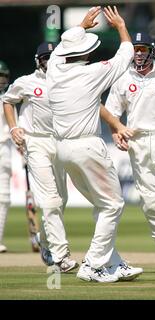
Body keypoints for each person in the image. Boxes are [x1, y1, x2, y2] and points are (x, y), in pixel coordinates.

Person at [46, 6, 143, 282]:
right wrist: (121, 26)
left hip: (62, 150)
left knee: (103, 206)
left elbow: (57, 52)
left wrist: (81, 27)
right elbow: (125, 55)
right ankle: (93, 265)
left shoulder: (54, 70)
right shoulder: (92, 74)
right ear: (85, 53)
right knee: (112, 205)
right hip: (87, 147)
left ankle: (114, 263)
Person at [104, 32, 155, 273]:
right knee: (150, 201)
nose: (139, 53)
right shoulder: (122, 78)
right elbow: (112, 112)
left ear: (152, 50)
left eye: (143, 49)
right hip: (137, 142)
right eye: (136, 49)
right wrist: (115, 131)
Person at [2, 42, 76, 271]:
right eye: (45, 58)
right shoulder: (26, 82)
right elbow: (7, 100)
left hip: (60, 142)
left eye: (52, 57)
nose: (49, 61)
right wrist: (14, 128)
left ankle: (45, 242)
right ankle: (61, 255)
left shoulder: (68, 81)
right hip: (35, 142)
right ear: (38, 60)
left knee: (61, 200)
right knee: (51, 200)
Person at [0, 60, 11, 253]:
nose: (2, 81)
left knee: (3, 197)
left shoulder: (9, 98)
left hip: (4, 147)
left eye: (4, 77)